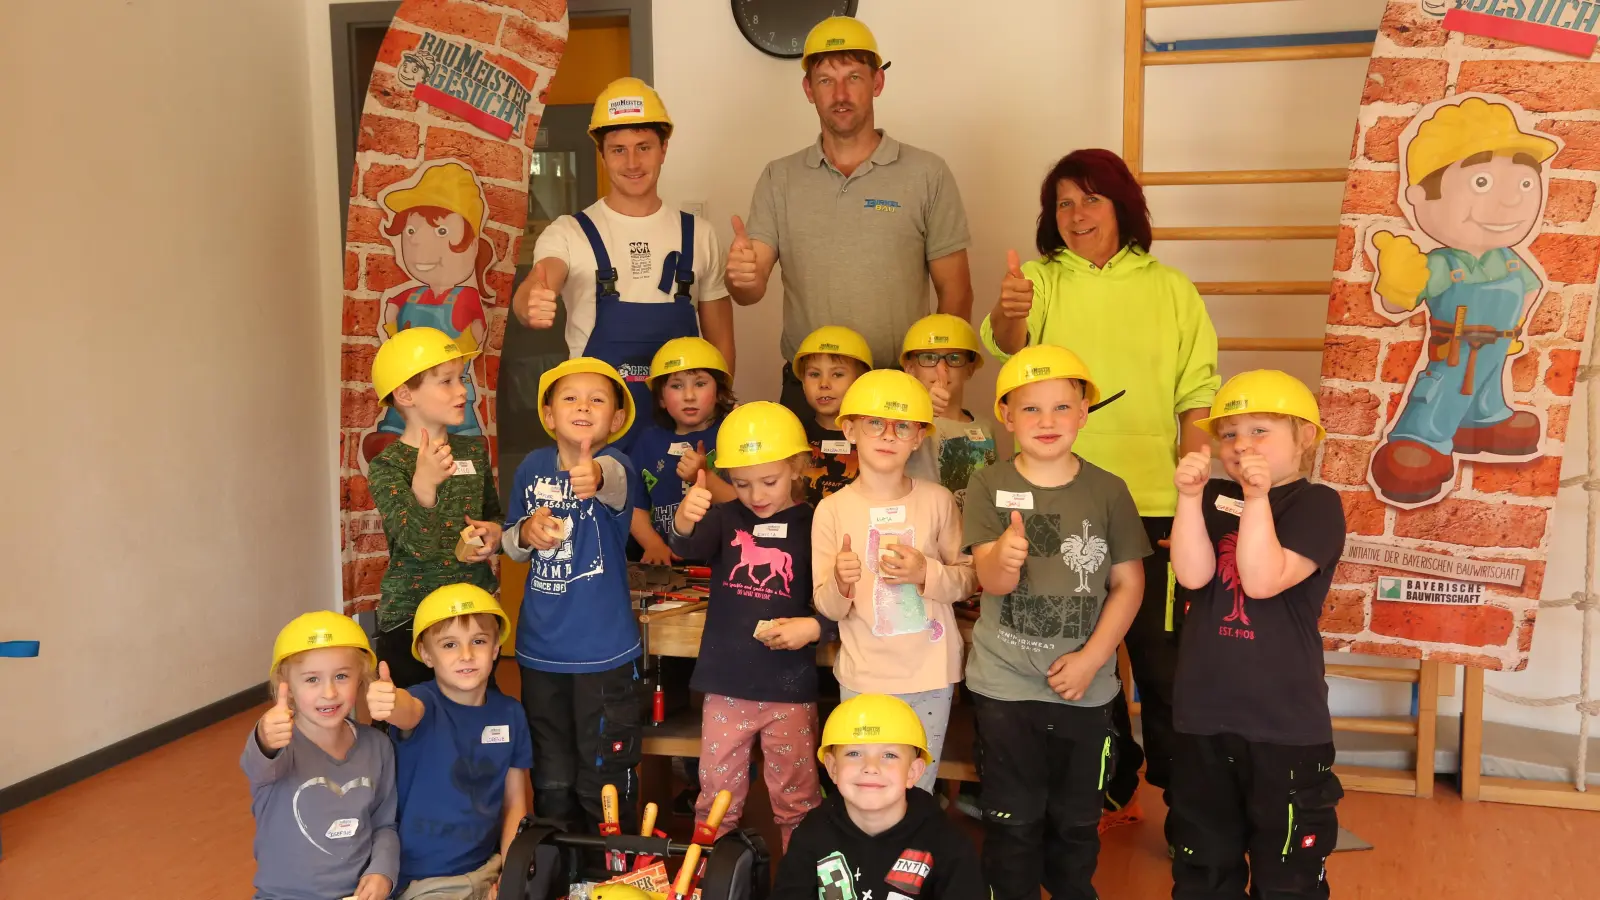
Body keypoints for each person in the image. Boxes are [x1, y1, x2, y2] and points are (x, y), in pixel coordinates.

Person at [981, 148, 1219, 825]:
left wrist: (1193, 498)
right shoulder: (1038, 280)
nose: (1076, 214)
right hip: (1060, 502)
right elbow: (1008, 347)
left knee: (1165, 666)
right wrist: (1010, 309)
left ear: (1123, 206)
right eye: (1063, 203)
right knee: (1074, 655)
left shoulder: (1172, 289)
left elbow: (1196, 400)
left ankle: (1189, 809)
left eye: (1091, 199)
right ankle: (1107, 786)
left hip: (1155, 506)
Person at [963, 345, 1150, 900]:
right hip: (1004, 686)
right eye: (1031, 408)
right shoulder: (986, 484)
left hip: (1085, 689)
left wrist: (1092, 660)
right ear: (1006, 415)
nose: (1047, 421)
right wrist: (1004, 557)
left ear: (1084, 412)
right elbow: (990, 580)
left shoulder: (1109, 490)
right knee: (1011, 819)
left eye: (1062, 407)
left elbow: (1129, 584)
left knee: (1076, 821)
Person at [725, 16, 973, 417]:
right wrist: (741, 277)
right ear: (809, 90)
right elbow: (749, 291)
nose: (840, 94)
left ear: (877, 82)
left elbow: (956, 292)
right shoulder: (779, 177)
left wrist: (941, 376)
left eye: (853, 77)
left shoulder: (927, 174)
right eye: (826, 80)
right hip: (810, 390)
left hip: (898, 387)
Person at [1166, 370, 1345, 900]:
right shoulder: (1214, 496)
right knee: (1203, 867)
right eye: (1229, 434)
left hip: (1284, 725)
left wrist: (1258, 498)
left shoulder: (1317, 504)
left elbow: (1263, 580)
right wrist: (1188, 497)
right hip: (1202, 716)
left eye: (1259, 431)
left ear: (1304, 437)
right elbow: (1192, 575)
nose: (1241, 444)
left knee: (1289, 873)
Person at [512, 77, 734, 450]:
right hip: (597, 432)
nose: (632, 163)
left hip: (683, 437)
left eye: (643, 147)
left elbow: (721, 345)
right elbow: (540, 280)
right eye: (618, 150)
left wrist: (719, 417)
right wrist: (531, 300)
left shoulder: (699, 235)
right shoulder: (568, 232)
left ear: (663, 149)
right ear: (601, 154)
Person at [1367, 96, 1555, 504]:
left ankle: (1483, 420)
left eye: (1524, 183)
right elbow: (1397, 308)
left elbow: (1530, 289)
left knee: (1488, 386)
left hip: (1498, 346)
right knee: (1443, 388)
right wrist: (1397, 285)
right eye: (1481, 182)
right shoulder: (1442, 264)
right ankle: (1420, 437)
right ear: (1419, 195)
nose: (1510, 200)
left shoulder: (1510, 261)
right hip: (1453, 349)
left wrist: (1516, 330)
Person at [669, 402, 833, 849]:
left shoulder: (817, 523)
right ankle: (708, 873)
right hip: (727, 685)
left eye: (769, 481)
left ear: (797, 467)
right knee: (715, 795)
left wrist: (814, 626)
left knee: (797, 796)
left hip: (789, 687)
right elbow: (685, 547)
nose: (756, 495)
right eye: (741, 484)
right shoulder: (726, 518)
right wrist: (685, 517)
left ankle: (799, 874)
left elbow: (837, 603)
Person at [812, 370, 977, 794]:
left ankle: (916, 838)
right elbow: (828, 607)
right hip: (863, 677)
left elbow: (968, 579)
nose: (888, 434)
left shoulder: (938, 500)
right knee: (864, 789)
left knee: (917, 789)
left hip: (930, 676)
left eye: (902, 426)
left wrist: (926, 573)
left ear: (918, 437)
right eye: (874, 423)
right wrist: (840, 583)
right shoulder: (831, 511)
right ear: (850, 429)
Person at [500, 356, 643, 832]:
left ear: (616, 419)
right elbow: (511, 544)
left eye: (597, 399)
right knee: (551, 775)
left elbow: (611, 480)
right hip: (539, 652)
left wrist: (593, 476)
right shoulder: (531, 467)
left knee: (603, 774)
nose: (583, 406)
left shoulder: (616, 465)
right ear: (548, 414)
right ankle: (559, 863)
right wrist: (526, 531)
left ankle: (610, 864)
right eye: (570, 398)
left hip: (604, 656)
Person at [367, 585, 532, 899]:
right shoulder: (422, 702)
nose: (466, 655)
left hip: (487, 871)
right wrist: (390, 701)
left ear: (496, 648)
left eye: (478, 641)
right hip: (423, 882)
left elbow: (515, 805)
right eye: (449, 644)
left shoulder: (511, 713)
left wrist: (512, 874)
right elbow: (406, 710)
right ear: (426, 654)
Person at [366, 327, 503, 690]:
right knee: (411, 714)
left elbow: (495, 517)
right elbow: (417, 544)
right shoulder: (388, 466)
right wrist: (424, 485)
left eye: (461, 379)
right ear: (405, 394)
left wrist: (495, 533)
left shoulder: (473, 451)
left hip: (474, 612)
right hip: (411, 620)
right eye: (446, 381)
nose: (462, 391)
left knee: (475, 710)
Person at [243, 612, 397, 900]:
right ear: (287, 688)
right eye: (312, 679)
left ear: (360, 678)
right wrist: (265, 734)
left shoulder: (378, 746)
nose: (329, 692)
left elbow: (385, 823)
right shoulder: (279, 746)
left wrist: (382, 872)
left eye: (341, 676)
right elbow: (259, 762)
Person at [770, 693, 985, 900]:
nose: (870, 767)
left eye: (889, 755)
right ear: (833, 768)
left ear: (913, 772)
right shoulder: (811, 834)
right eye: (854, 753)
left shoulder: (949, 844)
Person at [363, 161, 497, 462]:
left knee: (462, 441)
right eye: (411, 230)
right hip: (409, 391)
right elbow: (391, 318)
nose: (419, 243)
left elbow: (476, 337)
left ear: (473, 244)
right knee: (394, 436)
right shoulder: (408, 296)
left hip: (448, 392)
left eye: (441, 231)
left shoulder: (465, 298)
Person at [628, 336, 735, 565]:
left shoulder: (733, 434)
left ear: (719, 391)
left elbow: (747, 504)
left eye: (700, 384)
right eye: (676, 386)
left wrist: (705, 477)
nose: (689, 396)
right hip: (667, 566)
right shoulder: (647, 441)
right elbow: (634, 506)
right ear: (661, 398)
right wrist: (653, 544)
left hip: (723, 564)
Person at [899, 313, 998, 509]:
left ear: (970, 369)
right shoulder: (905, 423)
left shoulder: (985, 426)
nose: (942, 369)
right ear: (910, 368)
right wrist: (922, 410)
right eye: (929, 358)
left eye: (954, 358)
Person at [792, 326, 872, 506]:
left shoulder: (876, 435)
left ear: (861, 381)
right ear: (803, 383)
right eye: (814, 374)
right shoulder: (793, 435)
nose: (824, 384)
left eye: (837, 374)